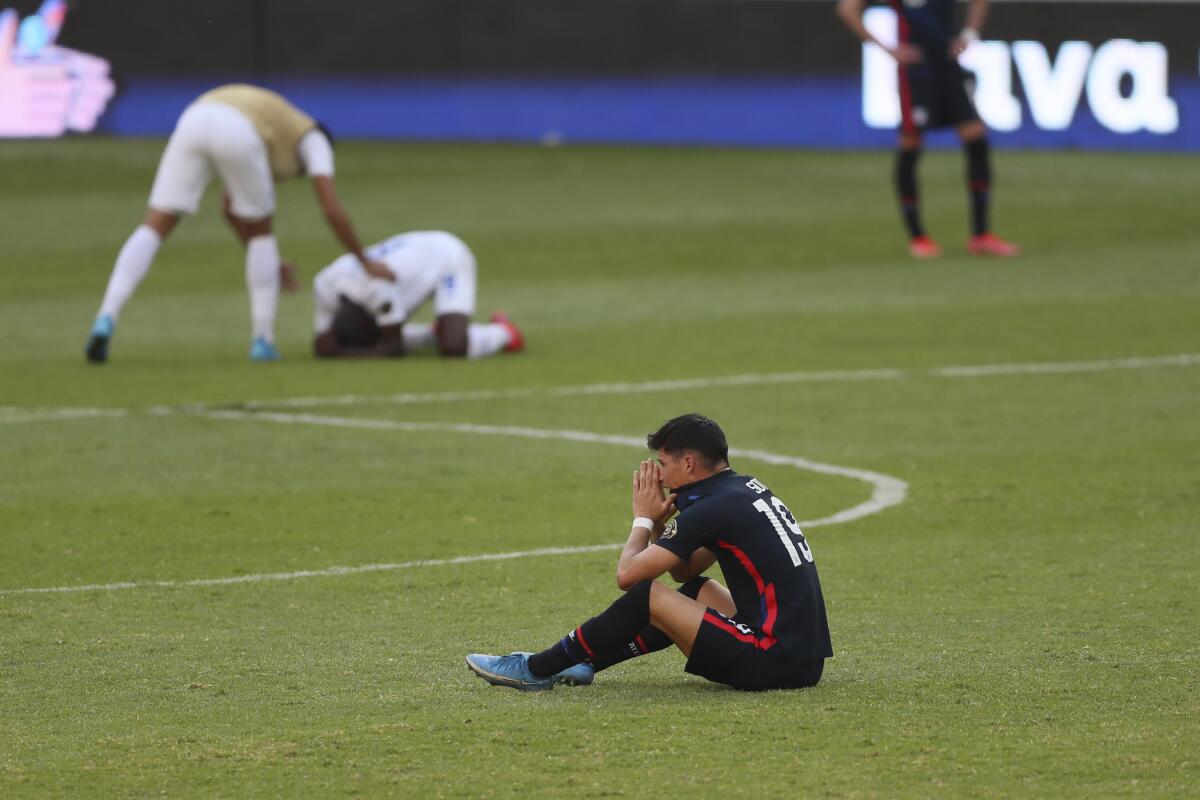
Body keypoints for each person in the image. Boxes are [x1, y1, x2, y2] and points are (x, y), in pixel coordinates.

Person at [465, 413, 832, 692]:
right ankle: (582, 663)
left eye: (664, 464)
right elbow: (685, 572)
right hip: (800, 658)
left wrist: (641, 519)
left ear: (688, 463)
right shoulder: (741, 490)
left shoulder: (712, 508)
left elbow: (629, 577)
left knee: (646, 595)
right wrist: (660, 525)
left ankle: (537, 669)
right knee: (697, 590)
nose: (660, 475)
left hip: (773, 660)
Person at [84, 83, 393, 363]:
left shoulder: (276, 121)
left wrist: (269, 263)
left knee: (156, 223)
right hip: (237, 127)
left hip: (195, 117)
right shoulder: (315, 139)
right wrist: (363, 260)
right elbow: (330, 209)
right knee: (263, 230)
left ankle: (105, 317)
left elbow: (229, 208)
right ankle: (263, 339)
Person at [836, 0, 1020, 259]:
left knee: (976, 137)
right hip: (916, 71)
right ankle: (918, 237)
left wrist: (970, 33)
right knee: (910, 144)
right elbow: (847, 9)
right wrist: (888, 49)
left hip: (948, 64)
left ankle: (981, 235)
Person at [311, 230, 523, 359]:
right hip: (419, 252)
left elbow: (393, 349)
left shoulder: (376, 289)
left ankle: (503, 331)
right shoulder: (324, 284)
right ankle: (432, 333)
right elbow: (323, 342)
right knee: (386, 333)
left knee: (455, 347)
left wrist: (342, 354)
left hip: (448, 256)